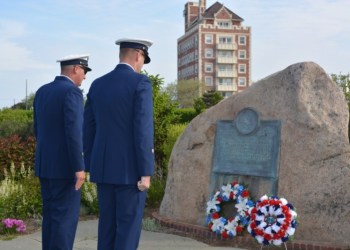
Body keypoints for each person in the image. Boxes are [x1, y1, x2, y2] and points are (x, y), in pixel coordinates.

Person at [83, 38, 155, 250]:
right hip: (131, 171)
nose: (142, 65)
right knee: (127, 231)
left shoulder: (98, 84)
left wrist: (89, 164)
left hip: (104, 170)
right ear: (137, 55)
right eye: (143, 59)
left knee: (107, 229)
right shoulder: (140, 83)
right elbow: (142, 129)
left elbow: (88, 129)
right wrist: (146, 171)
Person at [33, 54, 91, 250]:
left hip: (45, 166)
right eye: (84, 71)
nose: (84, 77)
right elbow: (74, 133)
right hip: (65, 169)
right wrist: (79, 167)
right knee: (64, 223)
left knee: (50, 219)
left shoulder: (42, 92)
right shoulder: (72, 93)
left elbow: (37, 130)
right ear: (75, 69)